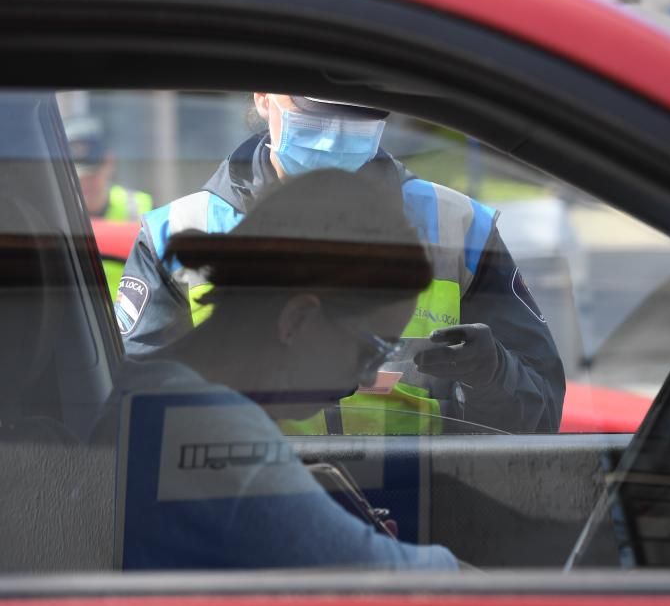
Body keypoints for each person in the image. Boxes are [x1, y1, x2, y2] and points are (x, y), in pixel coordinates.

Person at [115, 94, 565, 434]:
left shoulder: (460, 228)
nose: (335, 131)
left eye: (358, 113)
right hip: (251, 521)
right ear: (262, 95)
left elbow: (540, 419)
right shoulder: (176, 233)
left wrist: (495, 376)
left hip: (426, 518)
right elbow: (128, 421)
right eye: (314, 110)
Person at [99, 168, 459, 570]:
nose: (368, 379)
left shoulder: (155, 396)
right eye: (371, 350)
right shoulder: (205, 425)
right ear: (298, 320)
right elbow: (385, 578)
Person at [65, 115, 154, 295]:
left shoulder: (140, 208)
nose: (86, 181)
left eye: (92, 173)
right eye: (78, 174)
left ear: (109, 162)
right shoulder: (58, 216)